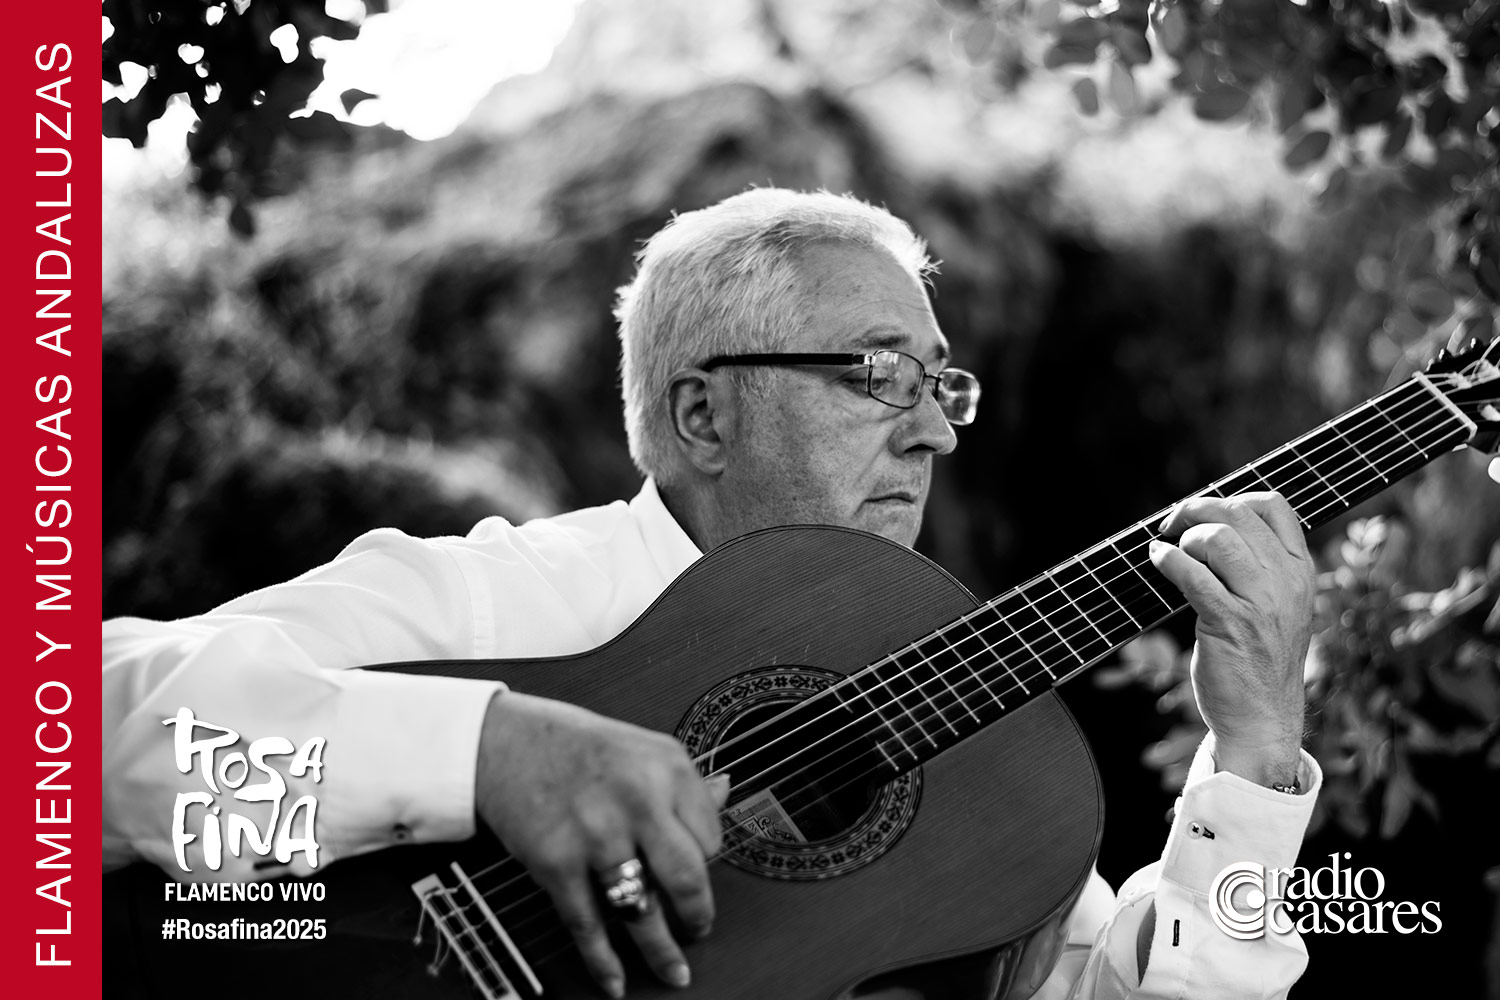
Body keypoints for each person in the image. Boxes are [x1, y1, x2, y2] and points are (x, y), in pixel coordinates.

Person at [103, 188, 1320, 1000]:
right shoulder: (495, 609)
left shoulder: (979, 757)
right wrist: (484, 754)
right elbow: (74, 747)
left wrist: (1255, 755)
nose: (934, 438)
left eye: (946, 388)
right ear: (702, 414)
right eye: (884, 376)